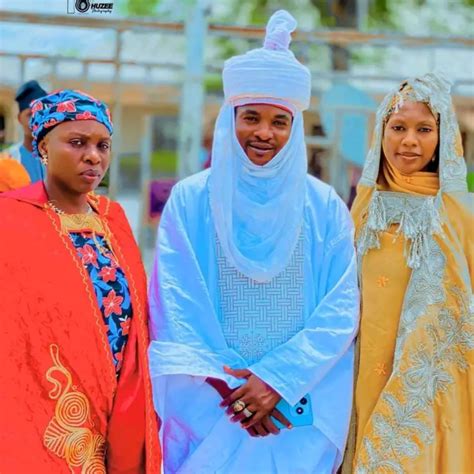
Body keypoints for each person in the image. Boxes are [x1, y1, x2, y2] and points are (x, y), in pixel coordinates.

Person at [148, 10, 359, 474]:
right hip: (211, 409)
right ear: (230, 119)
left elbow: (341, 310)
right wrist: (234, 392)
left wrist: (279, 380)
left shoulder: (324, 207)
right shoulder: (191, 200)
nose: (264, 133)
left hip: (296, 411)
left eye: (280, 121)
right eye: (251, 117)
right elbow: (176, 303)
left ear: (295, 127)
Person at [0, 89, 161, 473]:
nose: (93, 156)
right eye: (77, 143)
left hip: (119, 398)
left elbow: (137, 319)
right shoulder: (10, 219)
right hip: (40, 401)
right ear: (42, 147)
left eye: (103, 145)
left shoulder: (113, 219)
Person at [346, 73, 473, 473]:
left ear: (444, 136)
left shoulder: (459, 213)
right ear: (381, 131)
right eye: (398, 127)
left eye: (424, 129)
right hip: (359, 371)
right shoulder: (363, 207)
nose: (409, 142)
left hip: (430, 385)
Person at [5, 79, 48, 183]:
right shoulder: (9, 158)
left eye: (40, 114)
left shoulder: (57, 156)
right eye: (30, 115)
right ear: (20, 118)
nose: (35, 120)